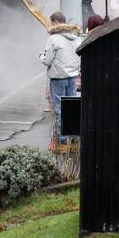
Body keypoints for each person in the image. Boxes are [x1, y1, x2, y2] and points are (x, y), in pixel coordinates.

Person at [40, 11, 82, 148]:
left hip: (58, 78)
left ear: (56, 22)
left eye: (52, 22)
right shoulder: (76, 37)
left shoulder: (53, 39)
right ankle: (75, 140)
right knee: (72, 108)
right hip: (72, 77)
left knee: (59, 109)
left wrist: (41, 55)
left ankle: (62, 142)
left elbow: (46, 60)